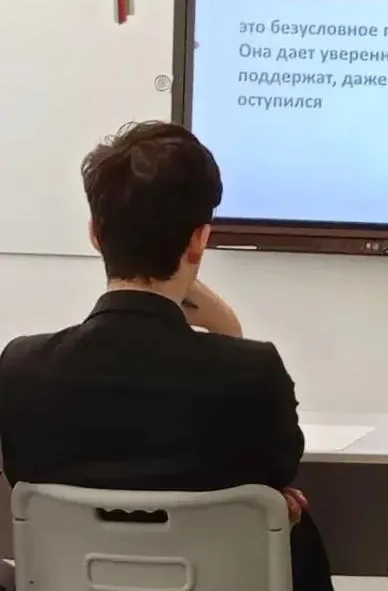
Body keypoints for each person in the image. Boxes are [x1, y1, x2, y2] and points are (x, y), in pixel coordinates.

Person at [0, 121, 334, 591]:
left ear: (95, 234)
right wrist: (227, 328)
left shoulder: (21, 369)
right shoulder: (250, 374)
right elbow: (271, 476)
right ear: (199, 239)